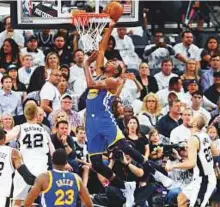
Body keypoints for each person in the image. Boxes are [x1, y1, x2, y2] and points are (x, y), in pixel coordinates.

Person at [84, 50, 173, 207]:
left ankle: (156, 172)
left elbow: (90, 84)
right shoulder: (100, 73)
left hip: (104, 118)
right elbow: (102, 50)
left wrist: (85, 64)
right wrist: (110, 25)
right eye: (109, 61)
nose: (109, 62)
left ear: (117, 71)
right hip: (90, 123)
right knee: (96, 163)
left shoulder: (113, 81)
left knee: (124, 146)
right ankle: (125, 187)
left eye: (114, 63)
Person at [6, 103, 55, 206]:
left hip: (25, 169)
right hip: (41, 169)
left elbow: (5, 139)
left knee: (18, 201)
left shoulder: (20, 128)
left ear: (25, 114)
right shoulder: (44, 130)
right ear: (37, 114)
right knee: (45, 200)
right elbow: (53, 151)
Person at [166, 114, 218, 207]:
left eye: (193, 117)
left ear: (194, 123)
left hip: (204, 179)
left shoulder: (193, 139)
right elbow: (215, 153)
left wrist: (173, 166)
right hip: (201, 178)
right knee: (181, 198)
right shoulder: (204, 135)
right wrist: (193, 151)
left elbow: (191, 163)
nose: (190, 117)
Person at [24, 148, 94, 207]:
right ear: (66, 162)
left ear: (52, 160)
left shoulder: (44, 178)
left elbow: (28, 202)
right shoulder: (76, 178)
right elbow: (89, 204)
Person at [0, 127, 36, 207]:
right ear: (5, 138)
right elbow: (28, 178)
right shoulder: (13, 153)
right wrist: (41, 182)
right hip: (2, 196)